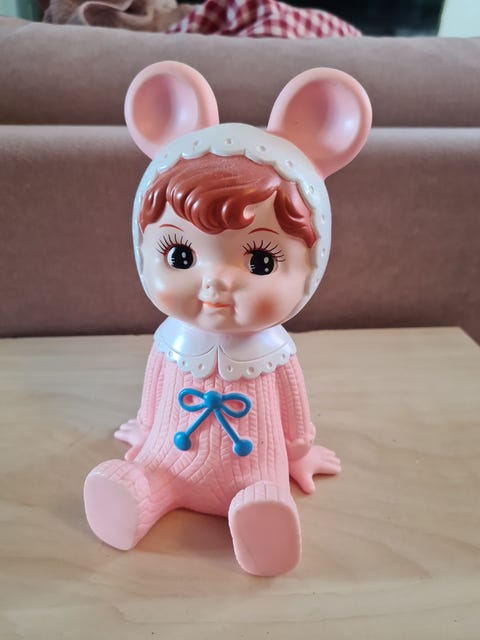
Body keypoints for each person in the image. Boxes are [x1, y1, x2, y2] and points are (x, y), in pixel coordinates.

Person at [84, 61, 371, 576]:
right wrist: (146, 427)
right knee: (147, 475)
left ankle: (261, 514)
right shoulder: (171, 339)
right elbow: (156, 386)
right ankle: (134, 495)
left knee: (263, 486)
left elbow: (292, 409)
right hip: (167, 456)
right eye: (180, 256)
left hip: (253, 464)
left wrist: (299, 453)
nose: (215, 282)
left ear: (310, 268)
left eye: (260, 261)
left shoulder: (273, 352)